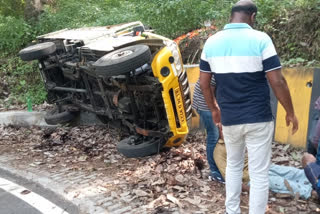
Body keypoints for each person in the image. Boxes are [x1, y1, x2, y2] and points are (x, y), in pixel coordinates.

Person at [199, 1, 299, 213]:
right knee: (259, 172)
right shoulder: (261, 39)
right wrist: (290, 112)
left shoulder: (212, 42)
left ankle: (232, 211)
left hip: (230, 118)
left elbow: (204, 83)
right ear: (252, 16)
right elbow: (277, 81)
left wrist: (214, 109)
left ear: (231, 16)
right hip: (258, 118)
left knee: (234, 166)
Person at [214, 140, 313, 199]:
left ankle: (314, 180)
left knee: (292, 172)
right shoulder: (219, 151)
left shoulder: (239, 138)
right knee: (284, 183)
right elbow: (229, 178)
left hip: (261, 167)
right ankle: (311, 192)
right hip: (250, 178)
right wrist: (251, 190)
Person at [192, 76, 223, 182]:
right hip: (206, 105)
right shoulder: (217, 68)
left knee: (217, 135)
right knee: (213, 136)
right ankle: (215, 171)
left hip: (211, 103)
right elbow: (207, 88)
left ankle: (219, 167)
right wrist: (215, 109)